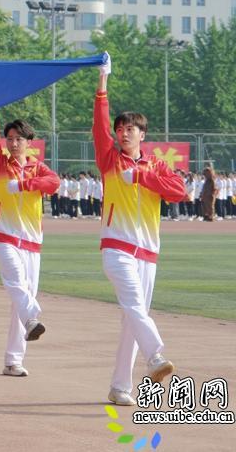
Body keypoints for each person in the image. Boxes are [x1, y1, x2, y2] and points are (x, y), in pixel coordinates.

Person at [93, 54, 184, 406]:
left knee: (132, 319)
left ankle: (119, 387)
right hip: (116, 247)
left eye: (130, 128)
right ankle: (157, 357)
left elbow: (179, 192)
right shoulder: (109, 159)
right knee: (134, 305)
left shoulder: (157, 165)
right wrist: (103, 83)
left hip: (148, 252)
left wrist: (144, 176)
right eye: (120, 128)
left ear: (143, 134)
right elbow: (99, 125)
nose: (123, 131)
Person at [0, 109, 59, 378]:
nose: (13, 144)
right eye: (9, 139)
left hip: (32, 242)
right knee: (16, 283)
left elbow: (53, 183)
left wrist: (25, 184)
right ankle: (33, 317)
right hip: (4, 234)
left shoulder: (39, 168)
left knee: (21, 299)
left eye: (19, 139)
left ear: (29, 142)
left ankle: (13, 360)